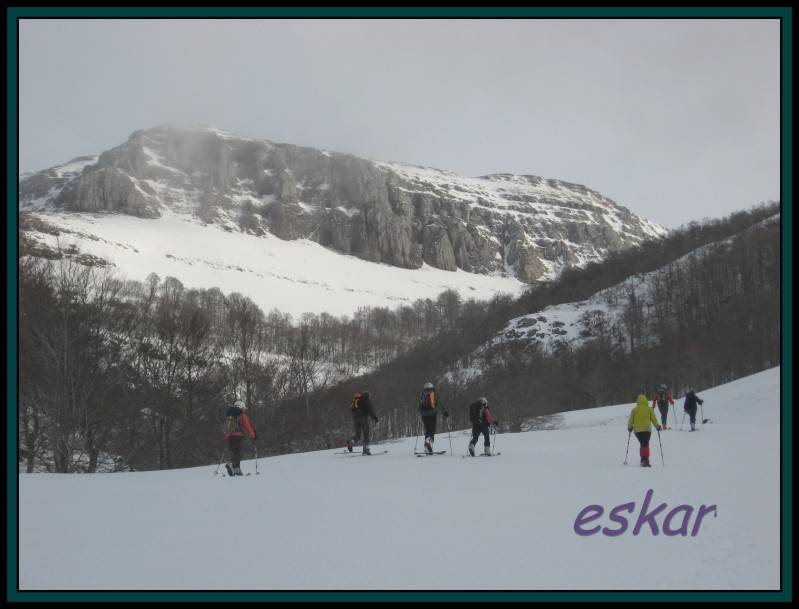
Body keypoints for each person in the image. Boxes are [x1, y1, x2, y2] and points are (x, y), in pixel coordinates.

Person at [224, 399, 256, 476]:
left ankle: (236, 468)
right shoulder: (242, 415)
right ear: (241, 406)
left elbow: (225, 427)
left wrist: (227, 436)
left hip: (229, 437)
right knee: (237, 453)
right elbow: (247, 426)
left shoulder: (229, 415)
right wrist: (253, 434)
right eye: (244, 408)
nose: (244, 409)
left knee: (233, 452)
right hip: (238, 436)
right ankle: (233, 466)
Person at [628, 394, 662, 467]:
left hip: (637, 431)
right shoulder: (649, 409)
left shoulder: (634, 410)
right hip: (647, 430)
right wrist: (657, 426)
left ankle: (643, 459)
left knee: (643, 444)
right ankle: (644, 460)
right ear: (646, 400)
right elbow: (654, 419)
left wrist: (630, 427)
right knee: (645, 444)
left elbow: (631, 420)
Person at [418, 381, 449, 454]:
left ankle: (427, 447)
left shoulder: (422, 395)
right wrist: (444, 412)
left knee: (427, 430)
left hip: (424, 415)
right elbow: (439, 404)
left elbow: (419, 406)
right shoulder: (433, 394)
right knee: (432, 430)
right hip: (432, 414)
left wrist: (420, 412)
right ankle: (429, 441)